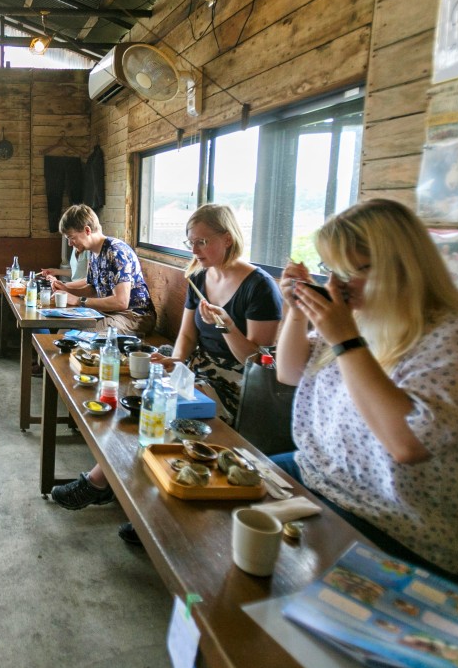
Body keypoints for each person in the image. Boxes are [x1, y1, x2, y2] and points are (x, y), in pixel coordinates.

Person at [275, 199, 458, 578]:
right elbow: (288, 372)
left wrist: (346, 341)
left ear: (401, 265)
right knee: (214, 509)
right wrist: (297, 311)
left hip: (405, 526)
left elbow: (406, 444)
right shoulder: (363, 317)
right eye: (330, 271)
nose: (336, 285)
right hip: (322, 477)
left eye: (351, 271)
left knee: (267, 579)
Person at [51, 205, 282, 544]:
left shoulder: (259, 287)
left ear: (228, 239)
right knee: (141, 399)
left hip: (240, 384)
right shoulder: (201, 277)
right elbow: (186, 338)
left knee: (165, 411)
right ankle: (137, 501)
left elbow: (258, 362)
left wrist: (228, 327)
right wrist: (173, 361)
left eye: (202, 242)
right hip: (198, 370)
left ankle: (109, 488)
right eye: (190, 242)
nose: (194, 251)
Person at [45, 204, 156, 336]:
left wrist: (77, 300)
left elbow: (121, 302)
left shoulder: (115, 252)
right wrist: (66, 289)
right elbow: (93, 289)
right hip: (110, 313)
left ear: (87, 230)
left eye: (72, 238)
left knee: (74, 336)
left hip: (134, 316)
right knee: (64, 329)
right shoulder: (94, 252)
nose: (70, 244)